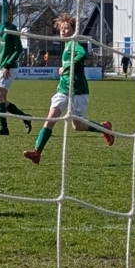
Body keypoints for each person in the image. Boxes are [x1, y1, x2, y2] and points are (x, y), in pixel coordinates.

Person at [25, 14, 117, 164]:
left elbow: (82, 54)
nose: (63, 31)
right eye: (61, 29)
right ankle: (37, 152)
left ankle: (104, 128)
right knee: (50, 119)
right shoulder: (67, 46)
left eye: (67, 28)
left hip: (78, 91)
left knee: (78, 126)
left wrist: (65, 67)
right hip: (63, 90)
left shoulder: (74, 44)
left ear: (74, 30)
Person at [0, 16, 34, 137]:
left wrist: (7, 65)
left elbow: (18, 49)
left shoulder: (12, 28)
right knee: (2, 100)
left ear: (5, 15)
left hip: (9, 67)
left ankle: (4, 128)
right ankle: (25, 118)